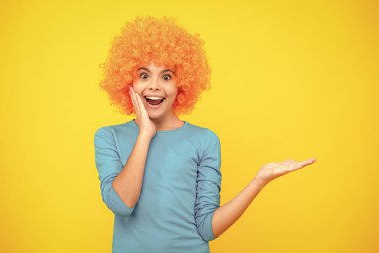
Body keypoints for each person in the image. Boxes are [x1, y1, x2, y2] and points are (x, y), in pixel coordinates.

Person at [93, 16, 317, 253]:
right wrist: (144, 135)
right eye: (144, 75)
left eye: (166, 76)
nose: (155, 86)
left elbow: (207, 228)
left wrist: (258, 181)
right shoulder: (109, 137)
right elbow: (122, 204)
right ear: (128, 80)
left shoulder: (205, 140)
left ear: (182, 85)